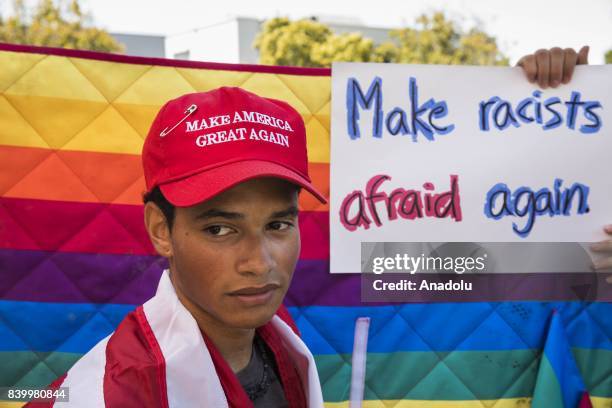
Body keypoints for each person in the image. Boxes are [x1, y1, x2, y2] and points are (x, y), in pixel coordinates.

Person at [28, 46, 612, 407]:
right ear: (160, 228)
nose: (261, 262)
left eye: (279, 223)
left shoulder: (274, 336)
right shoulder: (116, 394)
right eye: (219, 230)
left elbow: (460, 265)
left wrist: (548, 118)